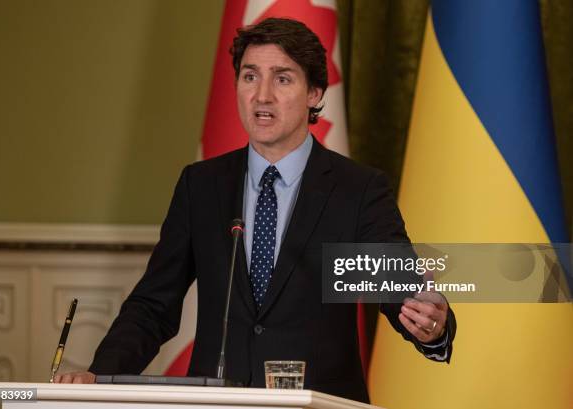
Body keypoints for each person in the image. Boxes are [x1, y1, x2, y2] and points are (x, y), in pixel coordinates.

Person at [55, 18, 456, 403]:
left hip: (318, 401)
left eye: (282, 78)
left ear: (315, 93)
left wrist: (431, 326)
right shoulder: (202, 185)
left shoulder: (358, 189)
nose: (262, 95)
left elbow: (399, 286)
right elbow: (155, 305)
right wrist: (98, 374)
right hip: (219, 402)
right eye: (250, 76)